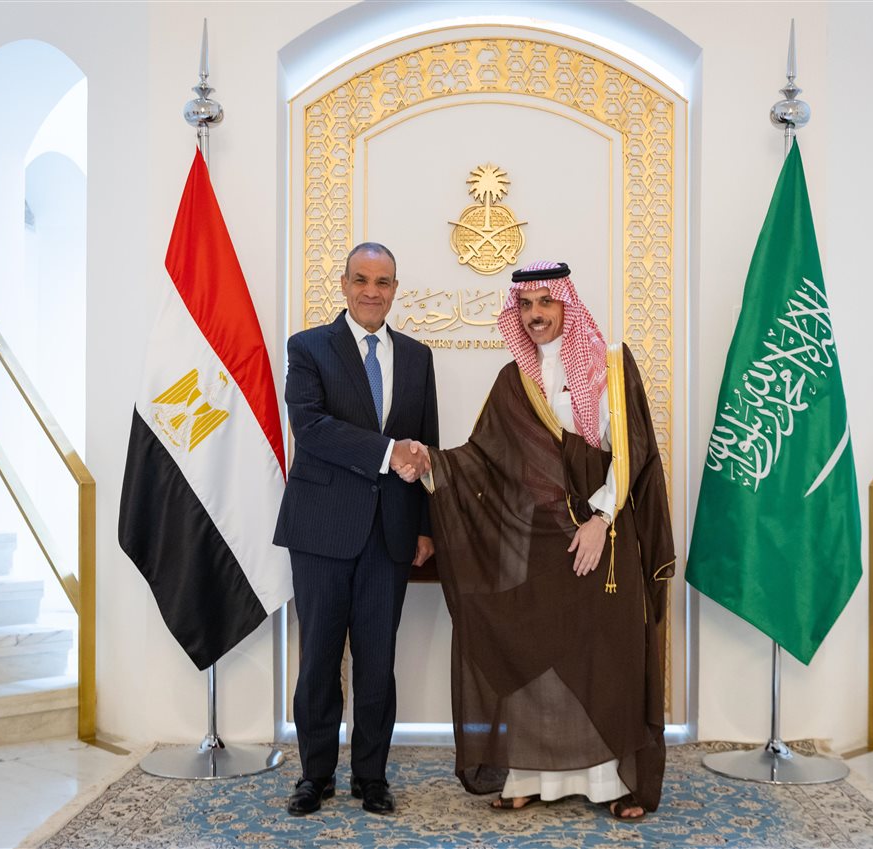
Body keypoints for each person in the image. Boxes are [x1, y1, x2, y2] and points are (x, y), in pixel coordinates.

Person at [400, 260, 675, 820]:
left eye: (545, 303)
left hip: (603, 539)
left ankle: (611, 783)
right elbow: (482, 459)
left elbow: (632, 452)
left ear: (566, 305)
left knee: (604, 658)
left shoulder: (611, 365)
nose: (534, 315)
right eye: (524, 306)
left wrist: (600, 520)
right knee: (537, 657)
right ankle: (531, 778)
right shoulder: (513, 379)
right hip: (540, 541)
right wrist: (432, 465)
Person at [274, 242, 439, 816]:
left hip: (390, 533)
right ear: (344, 285)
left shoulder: (417, 357)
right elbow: (311, 427)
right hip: (321, 531)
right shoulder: (308, 347)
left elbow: (426, 445)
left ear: (395, 289)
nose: (372, 291)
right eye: (362, 280)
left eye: (383, 282)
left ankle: (372, 777)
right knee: (319, 659)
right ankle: (314, 776)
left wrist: (425, 527)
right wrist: (388, 452)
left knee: (377, 663)